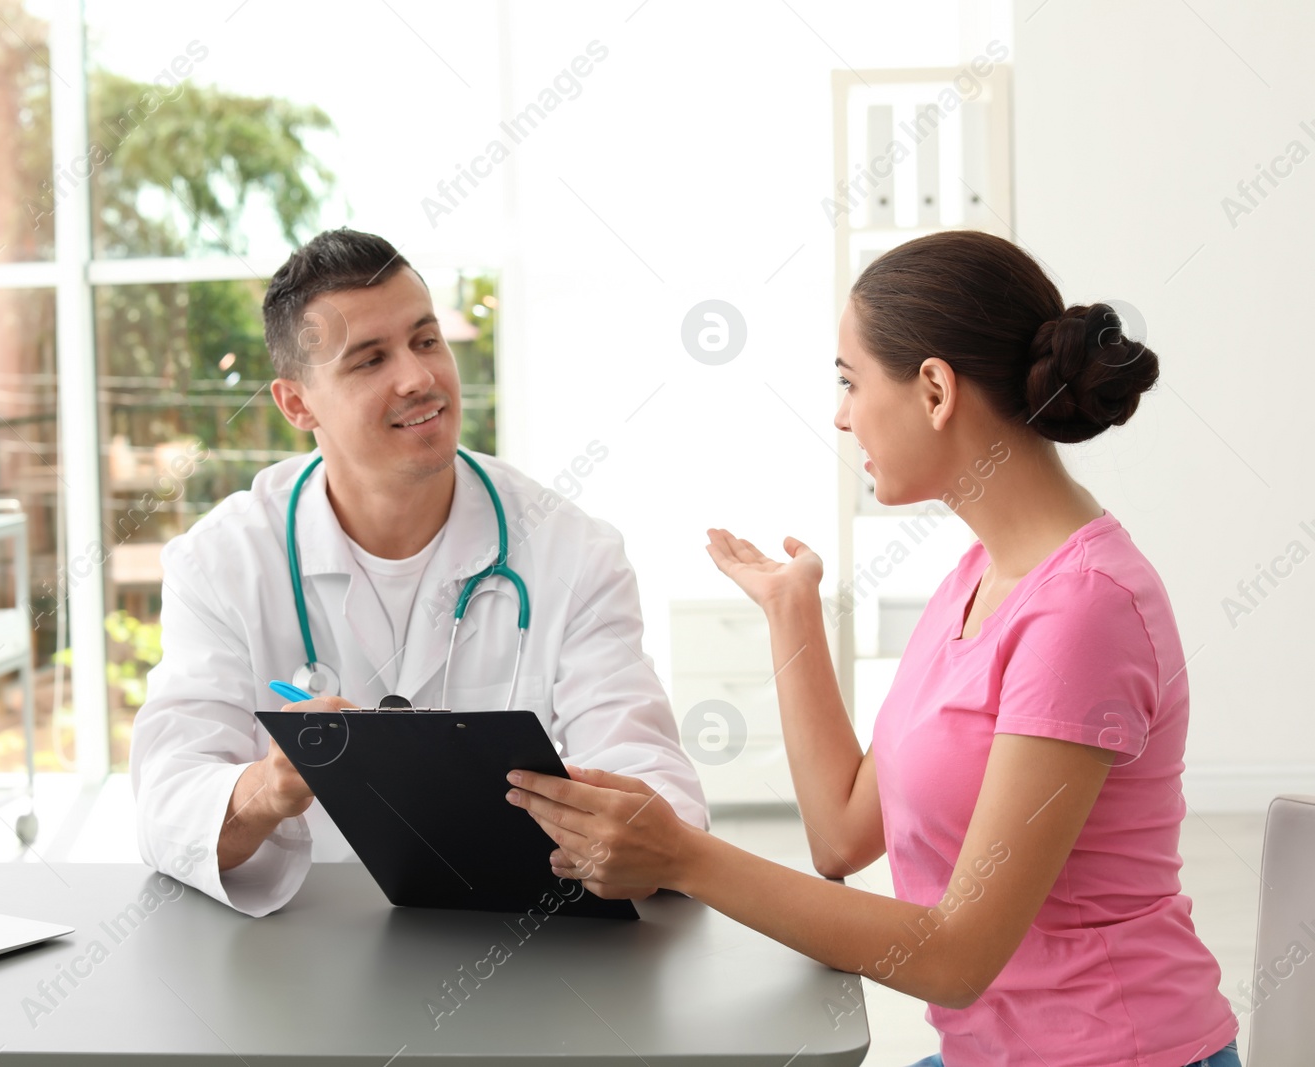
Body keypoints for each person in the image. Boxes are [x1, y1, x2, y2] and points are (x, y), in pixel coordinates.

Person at [504, 230, 1239, 1067]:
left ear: (934, 389)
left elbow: (955, 956)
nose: (841, 412)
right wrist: (792, 616)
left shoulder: (1084, 612)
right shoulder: (978, 576)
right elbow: (843, 836)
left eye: (850, 381)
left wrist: (681, 854)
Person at [130, 227, 707, 917]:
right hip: (310, 954)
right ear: (296, 403)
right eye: (370, 360)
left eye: (426, 340)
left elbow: (663, 803)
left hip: (531, 942)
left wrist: (589, 811)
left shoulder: (572, 552)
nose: (419, 377)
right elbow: (165, 803)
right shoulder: (223, 561)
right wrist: (271, 787)